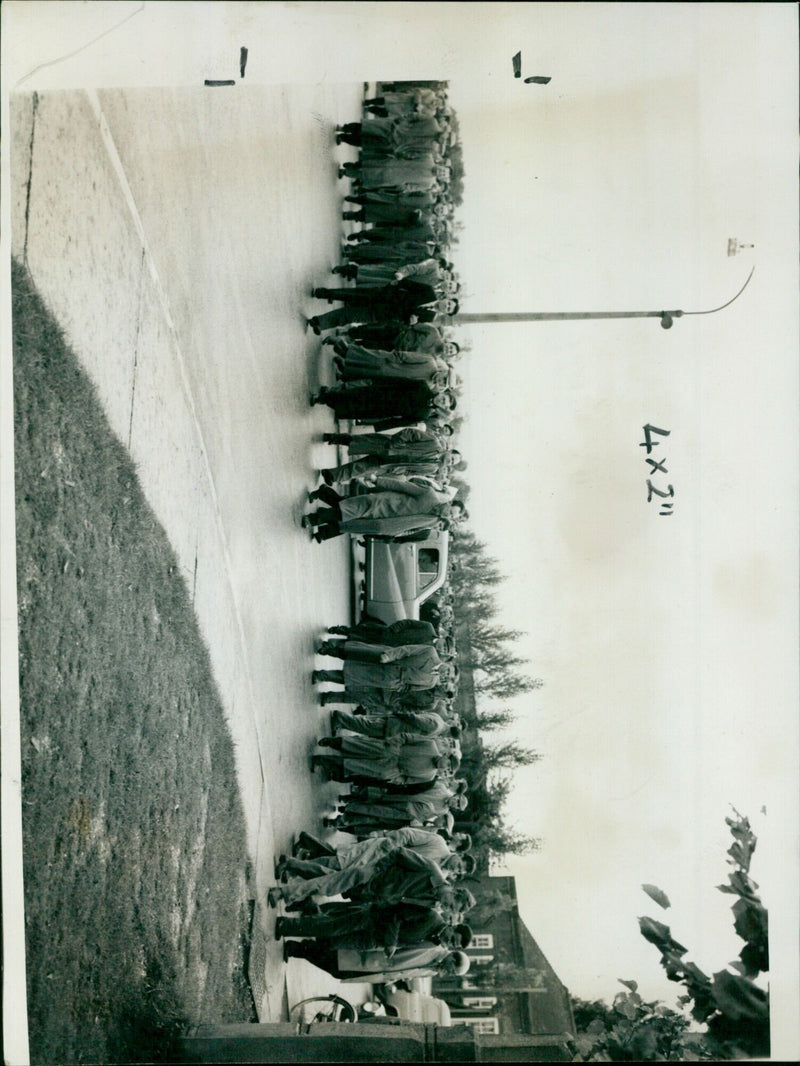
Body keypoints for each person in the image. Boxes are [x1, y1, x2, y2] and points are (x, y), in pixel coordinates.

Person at [281, 942, 470, 984]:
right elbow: (405, 946)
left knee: (339, 972)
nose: (449, 972)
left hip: (380, 973)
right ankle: (297, 948)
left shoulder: (434, 971)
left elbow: (409, 973)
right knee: (335, 960)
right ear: (452, 957)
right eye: (452, 969)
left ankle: (300, 949)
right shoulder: (432, 948)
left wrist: (394, 979)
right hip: (376, 958)